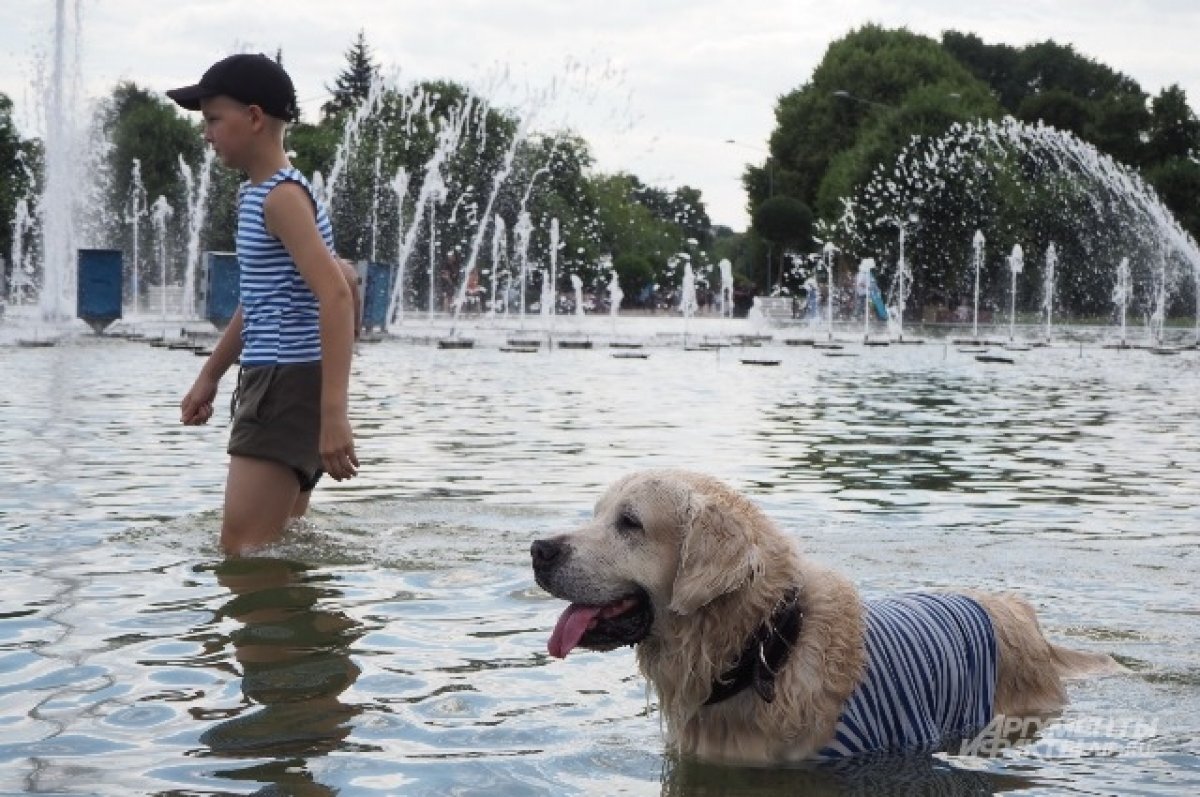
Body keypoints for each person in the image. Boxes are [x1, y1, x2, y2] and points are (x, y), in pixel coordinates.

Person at [170, 53, 359, 554]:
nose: (206, 133)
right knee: (278, 546)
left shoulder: (280, 197)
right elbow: (260, 297)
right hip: (283, 379)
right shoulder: (262, 194)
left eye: (213, 119)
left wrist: (334, 413)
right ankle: (303, 633)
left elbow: (336, 293)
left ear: (254, 118)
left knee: (242, 551)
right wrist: (211, 373)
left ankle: (270, 633)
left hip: (284, 382)